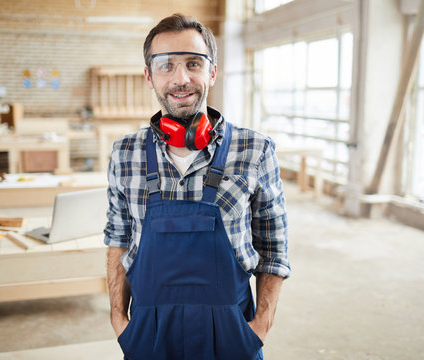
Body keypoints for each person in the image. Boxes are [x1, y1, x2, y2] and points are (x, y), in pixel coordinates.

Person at [104, 13, 291, 360]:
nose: (181, 78)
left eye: (193, 63)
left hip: (231, 336)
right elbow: (118, 238)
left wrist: (260, 327)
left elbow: (273, 245)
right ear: (149, 76)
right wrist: (119, 318)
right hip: (148, 335)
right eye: (166, 66)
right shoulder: (125, 153)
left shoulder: (254, 149)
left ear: (212, 72)